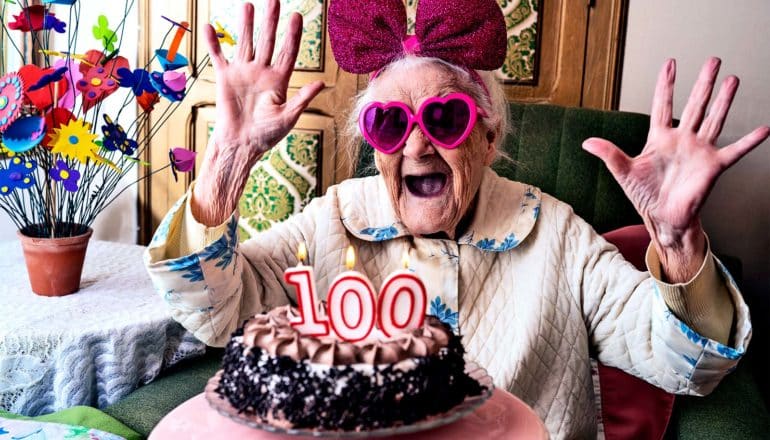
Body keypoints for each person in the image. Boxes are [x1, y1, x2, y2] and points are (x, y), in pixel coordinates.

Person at [144, 0, 768, 437]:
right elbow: (218, 314)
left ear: (488, 135)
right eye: (390, 124)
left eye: (443, 120)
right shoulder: (333, 218)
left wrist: (678, 241)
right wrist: (224, 168)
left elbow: (690, 365)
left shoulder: (556, 234)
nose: (415, 147)